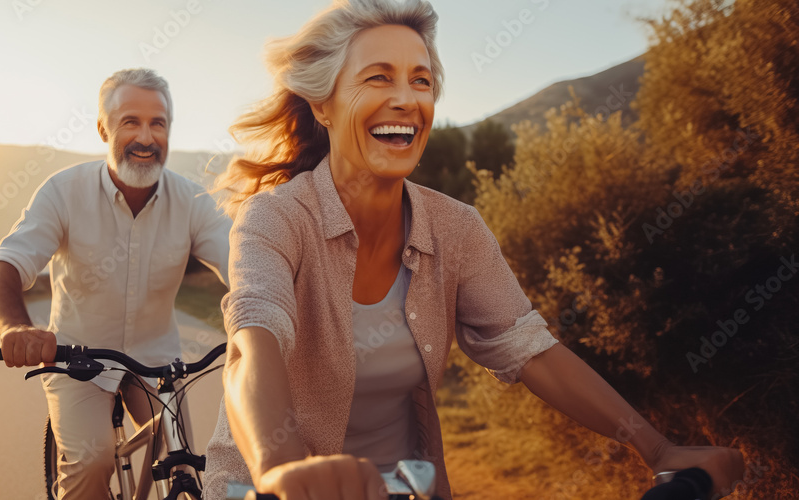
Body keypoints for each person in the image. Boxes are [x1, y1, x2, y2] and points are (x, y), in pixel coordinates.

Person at [202, 1, 745, 499]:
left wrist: (658, 451)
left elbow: (531, 348)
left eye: (421, 80)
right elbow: (254, 339)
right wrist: (280, 469)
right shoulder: (276, 217)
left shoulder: (456, 229)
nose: (406, 99)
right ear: (324, 105)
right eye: (377, 77)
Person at [0, 68, 231, 499]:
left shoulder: (193, 202)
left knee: (181, 458)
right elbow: (3, 265)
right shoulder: (63, 191)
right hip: (78, 361)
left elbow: (243, 265)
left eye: (158, 123)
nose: (146, 137)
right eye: (131, 121)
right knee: (91, 460)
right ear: (103, 128)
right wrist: (14, 327)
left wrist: (271, 314)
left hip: (158, 363)